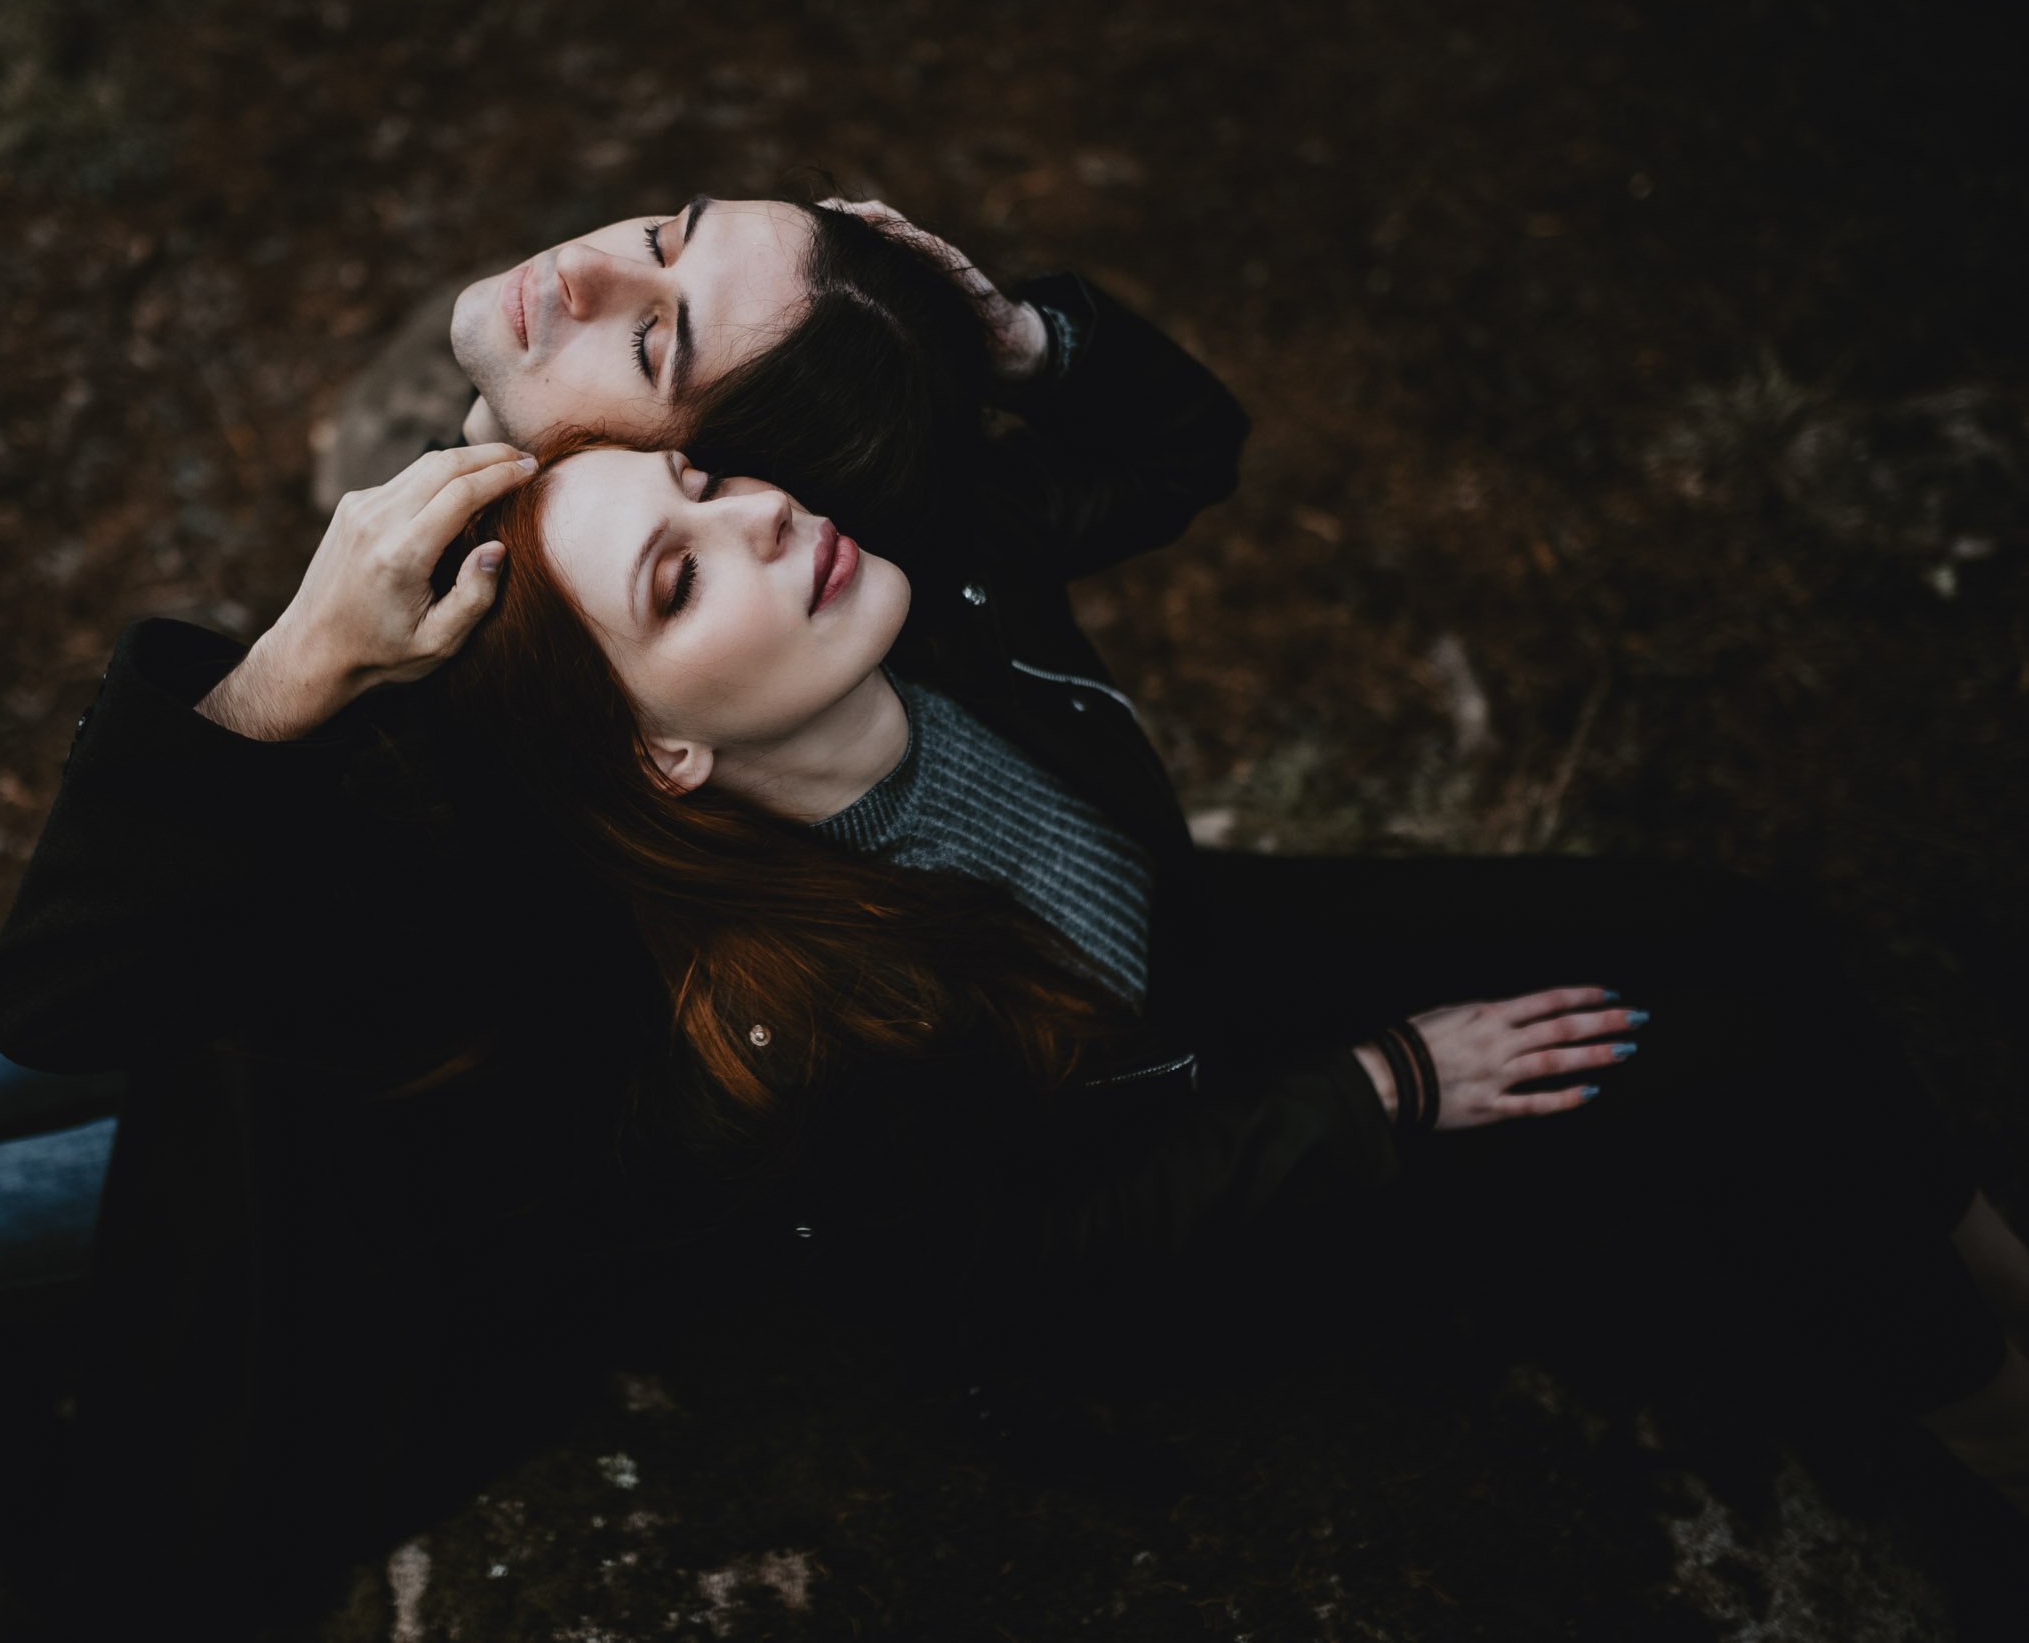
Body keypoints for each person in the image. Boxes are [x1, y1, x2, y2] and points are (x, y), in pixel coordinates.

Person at [0, 196, 1248, 1622]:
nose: (582, 263)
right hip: (226, 983)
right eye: (668, 231)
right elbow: (1171, 442)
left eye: (656, 343)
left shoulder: (524, 828)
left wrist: (284, 680)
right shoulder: (605, 569)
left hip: (293, 1131)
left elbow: (82, 989)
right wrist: (1015, 345)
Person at [430, 436, 2029, 1519]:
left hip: (1206, 962)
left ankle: (1986, 1253)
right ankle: (1984, 1415)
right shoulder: (802, 1039)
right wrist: (1385, 1086)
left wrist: (1003, 326)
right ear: (665, 750)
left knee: (1737, 923)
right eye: (678, 576)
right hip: (1208, 1205)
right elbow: (1018, 1274)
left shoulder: (929, 602)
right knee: (1723, 1074)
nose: (758, 513)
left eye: (705, 477)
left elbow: (1157, 431)